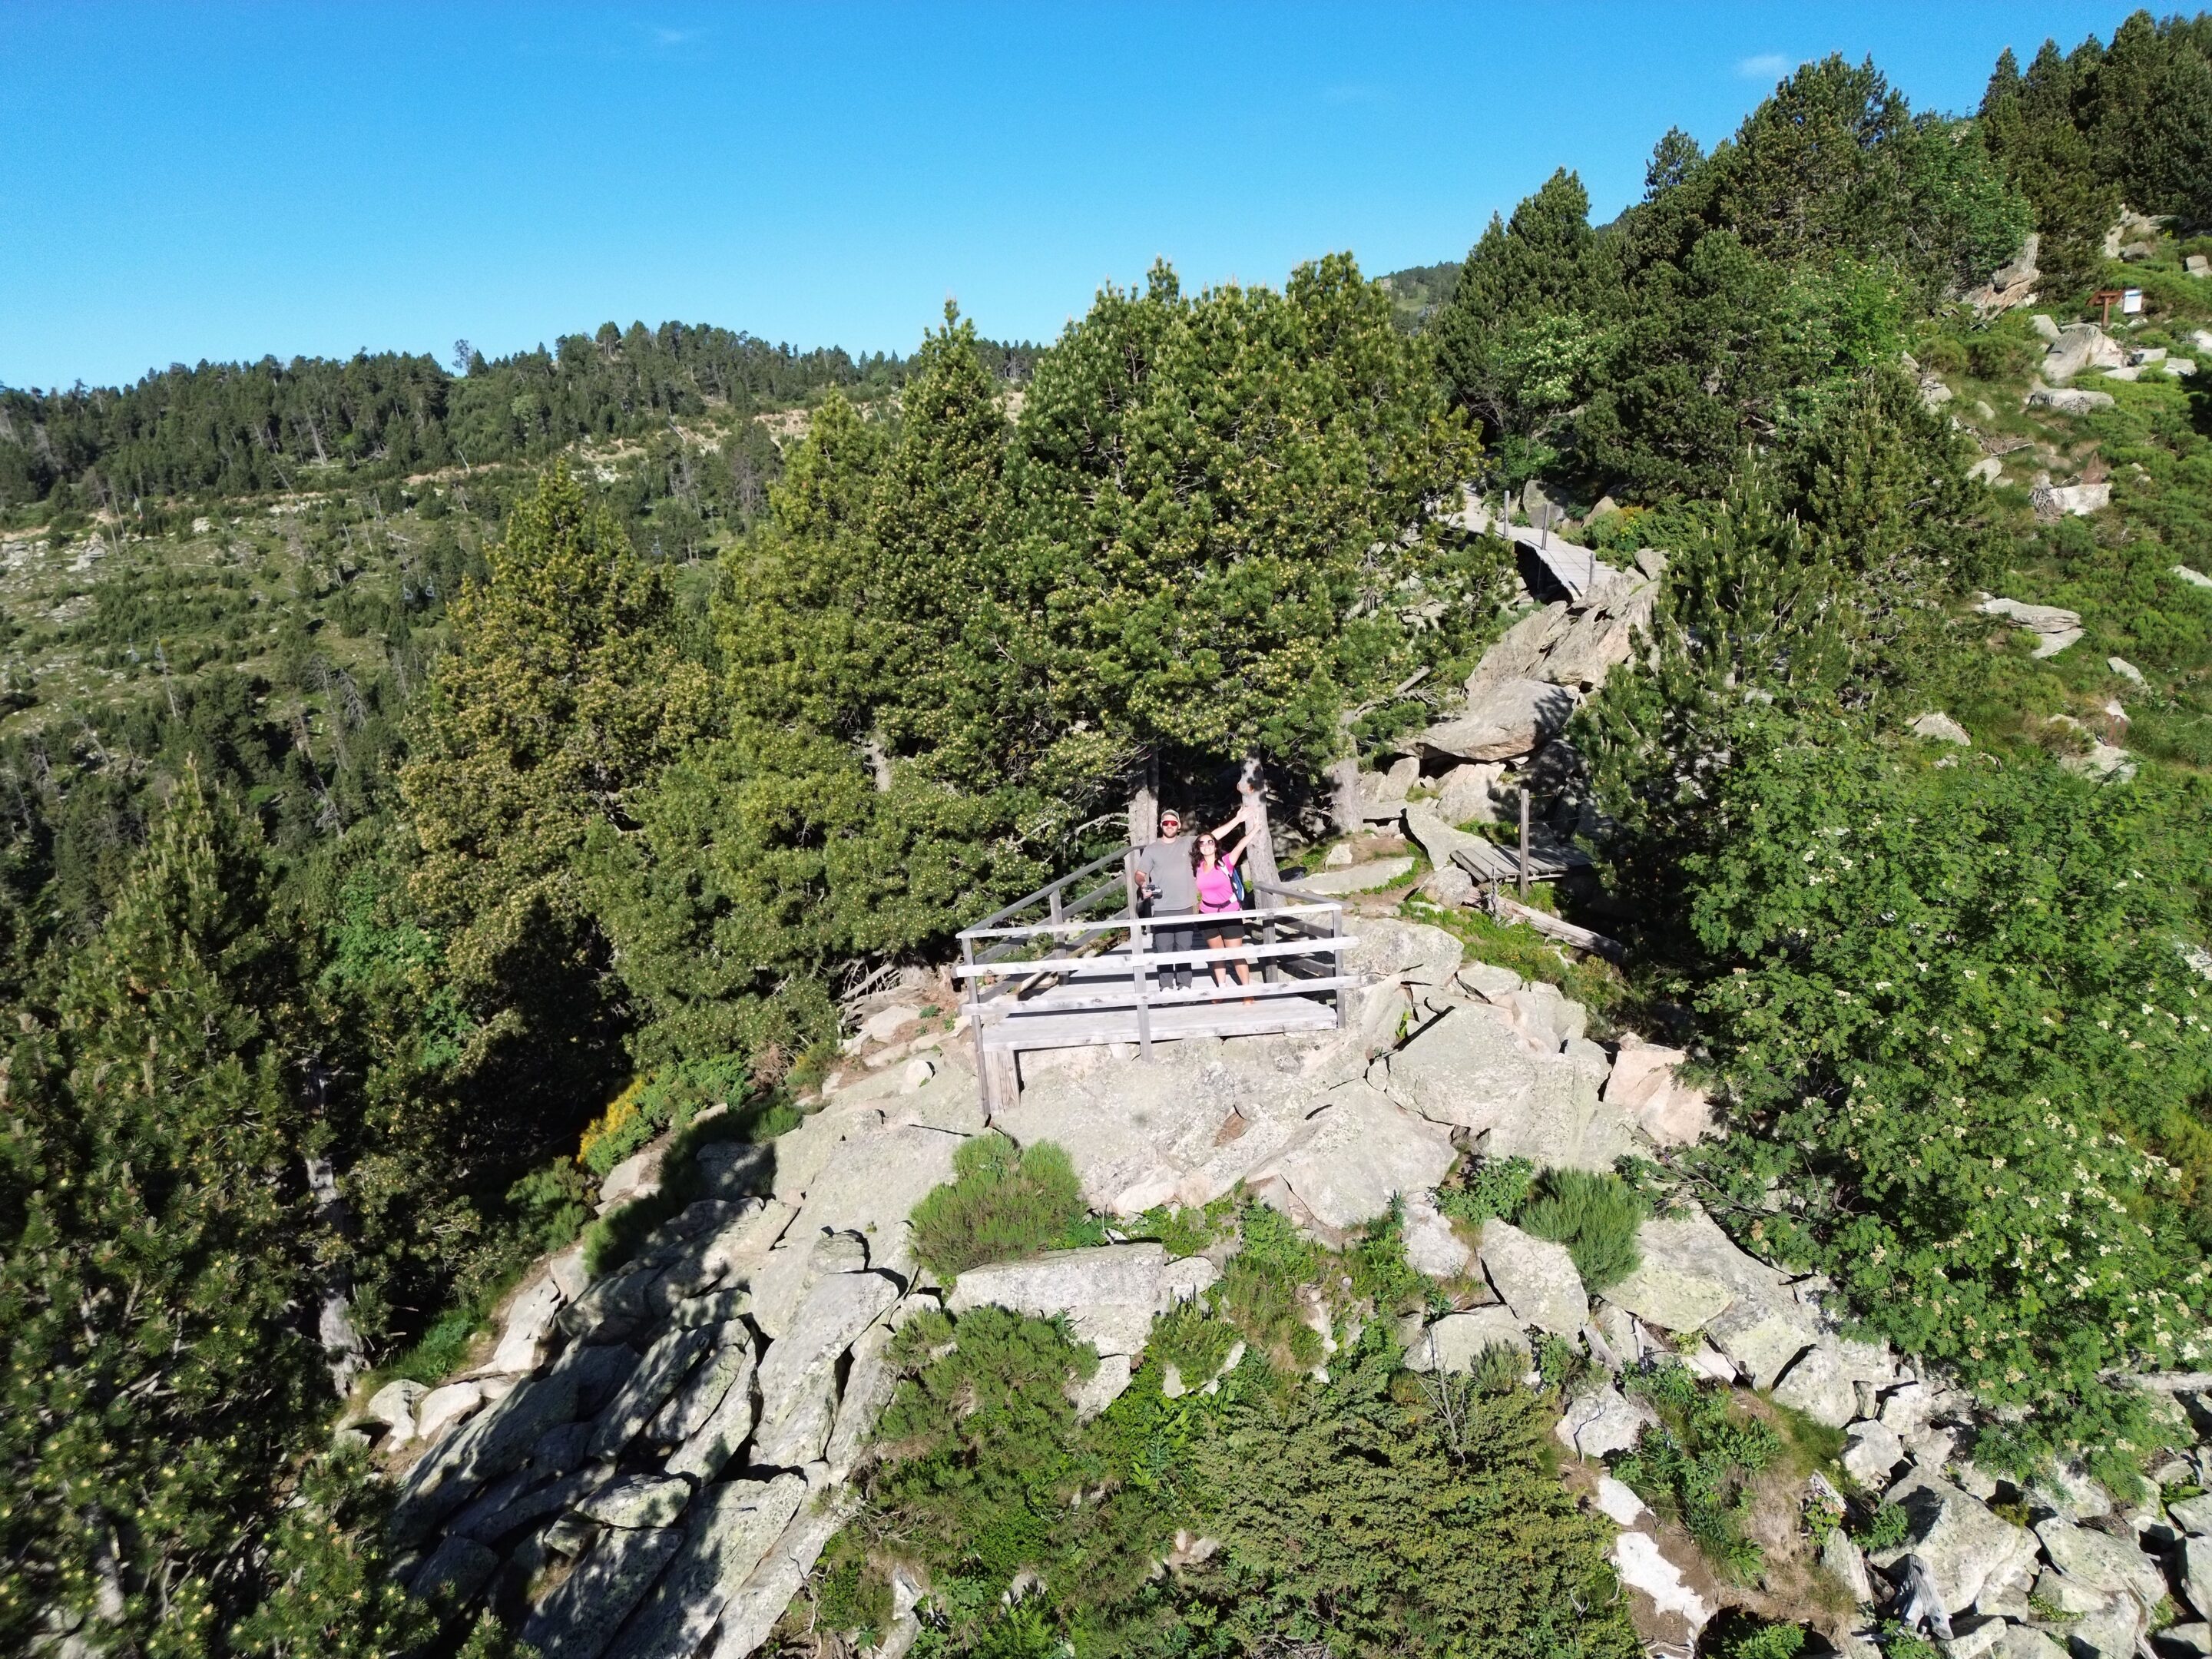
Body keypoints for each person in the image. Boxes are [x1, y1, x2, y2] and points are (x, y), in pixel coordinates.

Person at [1133, 809, 1200, 991]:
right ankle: (1166, 986)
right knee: (1164, 949)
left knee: (1184, 948)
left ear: (1178, 826)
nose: (1169, 826)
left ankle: (1185, 985)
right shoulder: (1152, 849)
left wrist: (1238, 819)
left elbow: (1212, 837)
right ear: (1161, 826)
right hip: (1162, 907)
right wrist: (1142, 884)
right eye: (1165, 823)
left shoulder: (1187, 843)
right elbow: (1139, 874)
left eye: (1173, 823)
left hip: (1185, 905)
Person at [1191, 830, 1253, 1002]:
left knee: (1235, 953)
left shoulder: (1226, 861)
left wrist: (1254, 828)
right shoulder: (1198, 867)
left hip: (1229, 913)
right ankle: (1222, 989)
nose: (1206, 846)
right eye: (1202, 843)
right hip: (1207, 914)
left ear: (1215, 845)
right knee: (1217, 954)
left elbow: (1240, 846)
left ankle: (1247, 992)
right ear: (1198, 847)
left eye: (1210, 842)